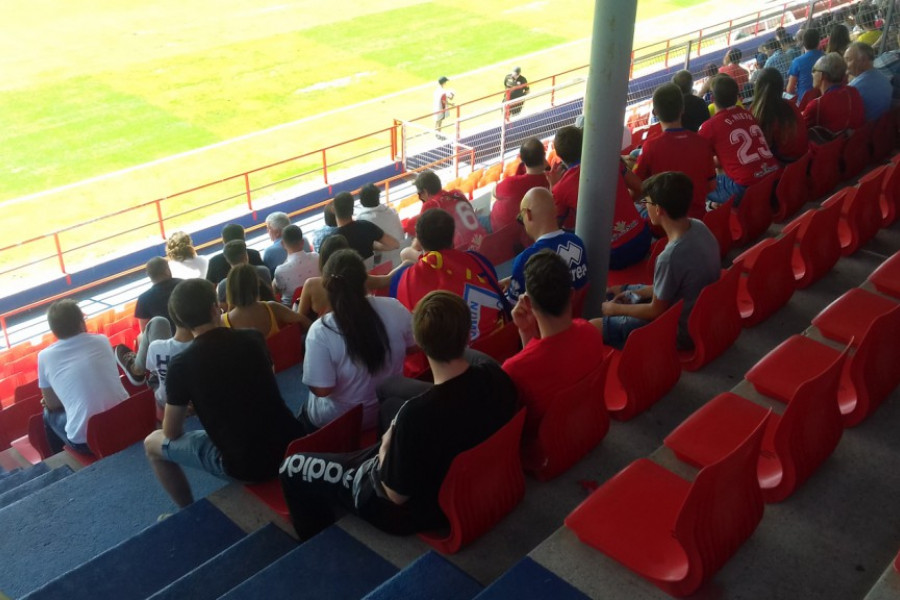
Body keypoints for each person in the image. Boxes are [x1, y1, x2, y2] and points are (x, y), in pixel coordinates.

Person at [279, 290, 517, 540]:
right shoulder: (495, 377)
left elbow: (394, 496)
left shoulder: (414, 417)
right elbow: (474, 359)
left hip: (409, 509)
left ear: (420, 344)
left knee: (291, 467)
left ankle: (320, 541)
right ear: (468, 335)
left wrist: (386, 447)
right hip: (468, 483)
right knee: (389, 399)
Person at [144, 279, 306, 508]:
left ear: (178, 320)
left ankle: (187, 510)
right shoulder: (253, 338)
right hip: (292, 444)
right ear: (215, 308)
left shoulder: (180, 365)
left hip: (247, 466)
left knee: (152, 443)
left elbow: (171, 432)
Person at [597, 172, 720, 350]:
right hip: (702, 313)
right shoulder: (699, 226)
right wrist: (637, 294)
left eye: (646, 202)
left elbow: (656, 311)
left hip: (680, 331)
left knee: (596, 324)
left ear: (659, 210)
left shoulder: (669, 257)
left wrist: (613, 310)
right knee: (621, 290)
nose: (644, 206)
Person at [502, 250, 606, 458]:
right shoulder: (591, 331)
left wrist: (524, 332)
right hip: (588, 429)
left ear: (528, 303)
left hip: (548, 453)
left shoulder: (514, 369)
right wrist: (527, 332)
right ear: (572, 294)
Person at [301, 249, 416, 432]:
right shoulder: (394, 307)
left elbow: (322, 390)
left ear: (327, 285)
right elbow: (414, 346)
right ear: (365, 279)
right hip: (390, 406)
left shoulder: (320, 331)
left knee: (305, 413)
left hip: (343, 421)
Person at [391, 208, 507, 341]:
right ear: (453, 237)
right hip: (503, 342)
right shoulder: (478, 260)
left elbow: (409, 334)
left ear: (419, 241)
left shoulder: (407, 279)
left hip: (454, 357)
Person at [38, 300, 128, 455]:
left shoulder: (44, 357)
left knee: (48, 414)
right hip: (129, 421)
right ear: (81, 323)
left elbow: (52, 404)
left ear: (54, 330)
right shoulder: (102, 340)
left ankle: (57, 461)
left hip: (90, 442)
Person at [635, 83, 717, 219]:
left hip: (666, 224)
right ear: (682, 109)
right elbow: (711, 185)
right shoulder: (702, 143)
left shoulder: (650, 146)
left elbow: (635, 192)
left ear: (655, 112)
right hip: (698, 216)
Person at [699, 75, 779, 208]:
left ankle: (714, 208)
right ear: (737, 96)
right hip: (773, 177)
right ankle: (717, 205)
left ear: (712, 99)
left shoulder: (709, 126)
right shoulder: (748, 114)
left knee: (697, 180)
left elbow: (700, 163)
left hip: (745, 188)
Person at [505, 187, 589, 304]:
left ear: (528, 214)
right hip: (579, 316)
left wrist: (517, 278)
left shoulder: (525, 260)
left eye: (521, 218)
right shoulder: (577, 241)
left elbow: (513, 308)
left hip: (547, 322)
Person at [116, 313, 192, 410]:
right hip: (187, 394)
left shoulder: (156, 346)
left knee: (158, 322)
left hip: (171, 396)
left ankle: (137, 369)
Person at [223, 264, 310, 339]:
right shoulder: (272, 308)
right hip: (288, 357)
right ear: (257, 283)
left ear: (230, 289)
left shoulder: (223, 322)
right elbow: (304, 321)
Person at [414, 170, 487, 252]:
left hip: (463, 252)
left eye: (419, 194)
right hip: (485, 242)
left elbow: (418, 245)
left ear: (425, 192)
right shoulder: (458, 194)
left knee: (406, 253)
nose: (420, 197)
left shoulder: (431, 205)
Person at [490, 137, 550, 232]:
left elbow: (494, 192)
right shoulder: (550, 181)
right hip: (527, 232)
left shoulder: (512, 183)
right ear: (543, 157)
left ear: (522, 159)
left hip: (503, 231)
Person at [750, 68, 808, 163]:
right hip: (803, 161)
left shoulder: (759, 111)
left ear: (758, 87)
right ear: (780, 86)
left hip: (785, 165)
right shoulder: (791, 105)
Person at [802, 52, 865, 135]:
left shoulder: (816, 105)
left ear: (822, 75)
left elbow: (801, 131)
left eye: (813, 70)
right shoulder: (853, 92)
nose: (812, 74)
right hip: (855, 144)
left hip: (830, 147)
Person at [330, 191, 399, 264]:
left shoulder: (331, 240)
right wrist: (373, 245)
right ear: (353, 210)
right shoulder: (366, 226)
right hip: (371, 272)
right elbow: (394, 244)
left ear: (333, 210)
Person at [297, 235, 350, 320]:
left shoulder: (311, 284)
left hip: (324, 331)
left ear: (322, 257)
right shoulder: (357, 277)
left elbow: (299, 319)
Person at [356, 183, 405, 268]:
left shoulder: (362, 220)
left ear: (361, 201)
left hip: (383, 266)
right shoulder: (392, 212)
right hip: (400, 259)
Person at [215, 240, 275, 307]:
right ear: (246, 256)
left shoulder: (223, 285)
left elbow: (224, 307)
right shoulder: (263, 271)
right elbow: (271, 294)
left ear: (227, 259)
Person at [547, 125, 584, 229]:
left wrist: (553, 187)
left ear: (558, 155)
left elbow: (552, 227)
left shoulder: (560, 188)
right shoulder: (608, 159)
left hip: (603, 243)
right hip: (633, 229)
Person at [846, 42, 893, 122]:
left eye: (848, 60)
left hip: (866, 131)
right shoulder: (883, 78)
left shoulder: (854, 89)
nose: (845, 64)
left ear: (863, 60)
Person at [273, 224, 320, 305]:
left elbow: (277, 290)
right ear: (302, 242)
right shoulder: (317, 257)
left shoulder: (280, 271)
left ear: (282, 244)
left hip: (293, 311)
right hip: (318, 303)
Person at [134, 257, 182, 332]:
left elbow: (145, 332)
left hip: (164, 339)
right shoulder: (185, 285)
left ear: (149, 275)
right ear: (167, 271)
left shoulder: (143, 299)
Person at [787, 28, 825, 101]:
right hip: (824, 98)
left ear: (803, 43)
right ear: (818, 42)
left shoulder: (797, 62)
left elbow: (790, 89)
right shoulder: (826, 58)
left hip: (804, 103)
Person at [262, 211, 291, 275]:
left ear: (277, 232)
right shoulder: (304, 240)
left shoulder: (269, 252)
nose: (267, 231)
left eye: (269, 228)